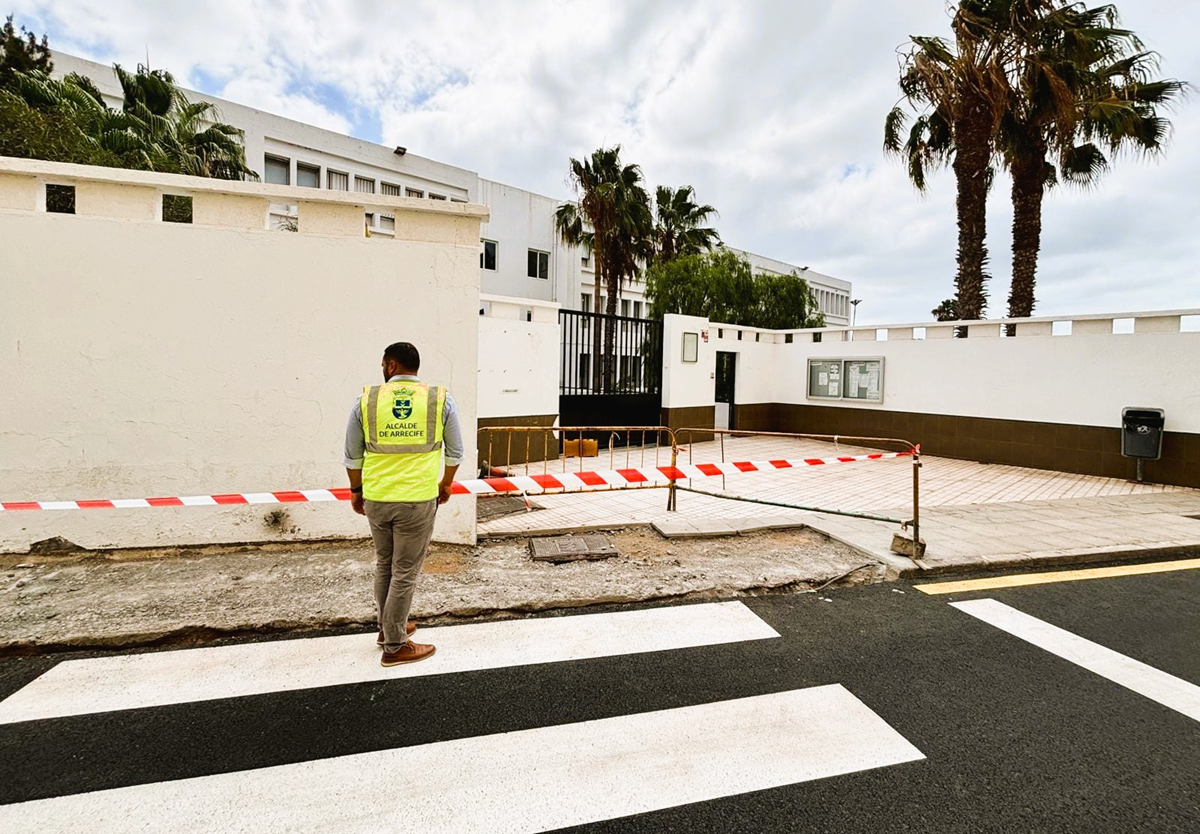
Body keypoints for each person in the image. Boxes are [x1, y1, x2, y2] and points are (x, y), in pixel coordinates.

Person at [344, 342, 463, 667]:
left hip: (377, 498)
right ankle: (395, 645)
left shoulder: (366, 400)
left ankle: (387, 630)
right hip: (416, 499)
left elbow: (352, 456)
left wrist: (357, 491)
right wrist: (446, 483)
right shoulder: (439, 399)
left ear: (391, 365)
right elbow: (456, 452)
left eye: (383, 364)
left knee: (386, 564)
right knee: (405, 570)